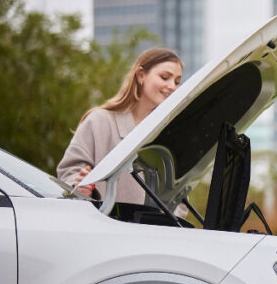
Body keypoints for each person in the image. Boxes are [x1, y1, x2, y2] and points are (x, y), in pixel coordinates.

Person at [58, 47, 183, 203]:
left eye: (177, 81)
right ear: (141, 75)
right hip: (101, 224)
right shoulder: (98, 121)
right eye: (165, 77)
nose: (172, 86)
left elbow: (180, 191)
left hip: (153, 227)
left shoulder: (170, 133)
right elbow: (69, 173)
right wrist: (80, 186)